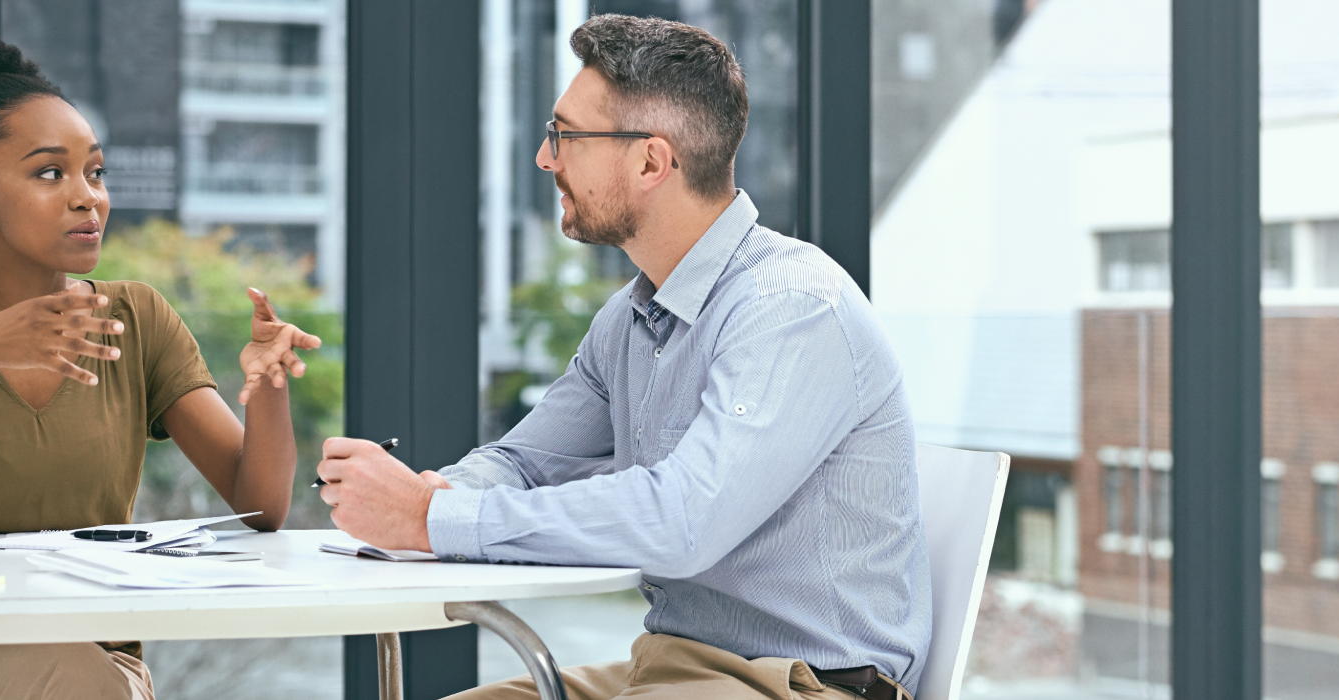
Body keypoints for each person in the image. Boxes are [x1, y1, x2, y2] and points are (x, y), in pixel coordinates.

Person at [317, 15, 928, 700]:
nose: (547, 160)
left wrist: (431, 521)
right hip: (672, 667)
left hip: (803, 686)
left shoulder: (791, 307)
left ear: (650, 162)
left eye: (565, 137)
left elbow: (682, 522)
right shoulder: (633, 319)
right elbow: (524, 462)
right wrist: (431, 497)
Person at [0, 31, 321, 700]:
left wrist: (268, 385)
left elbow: (260, 507)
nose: (88, 197)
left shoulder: (138, 319)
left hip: (97, 665)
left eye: (94, 172)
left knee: (72, 669)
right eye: (51, 173)